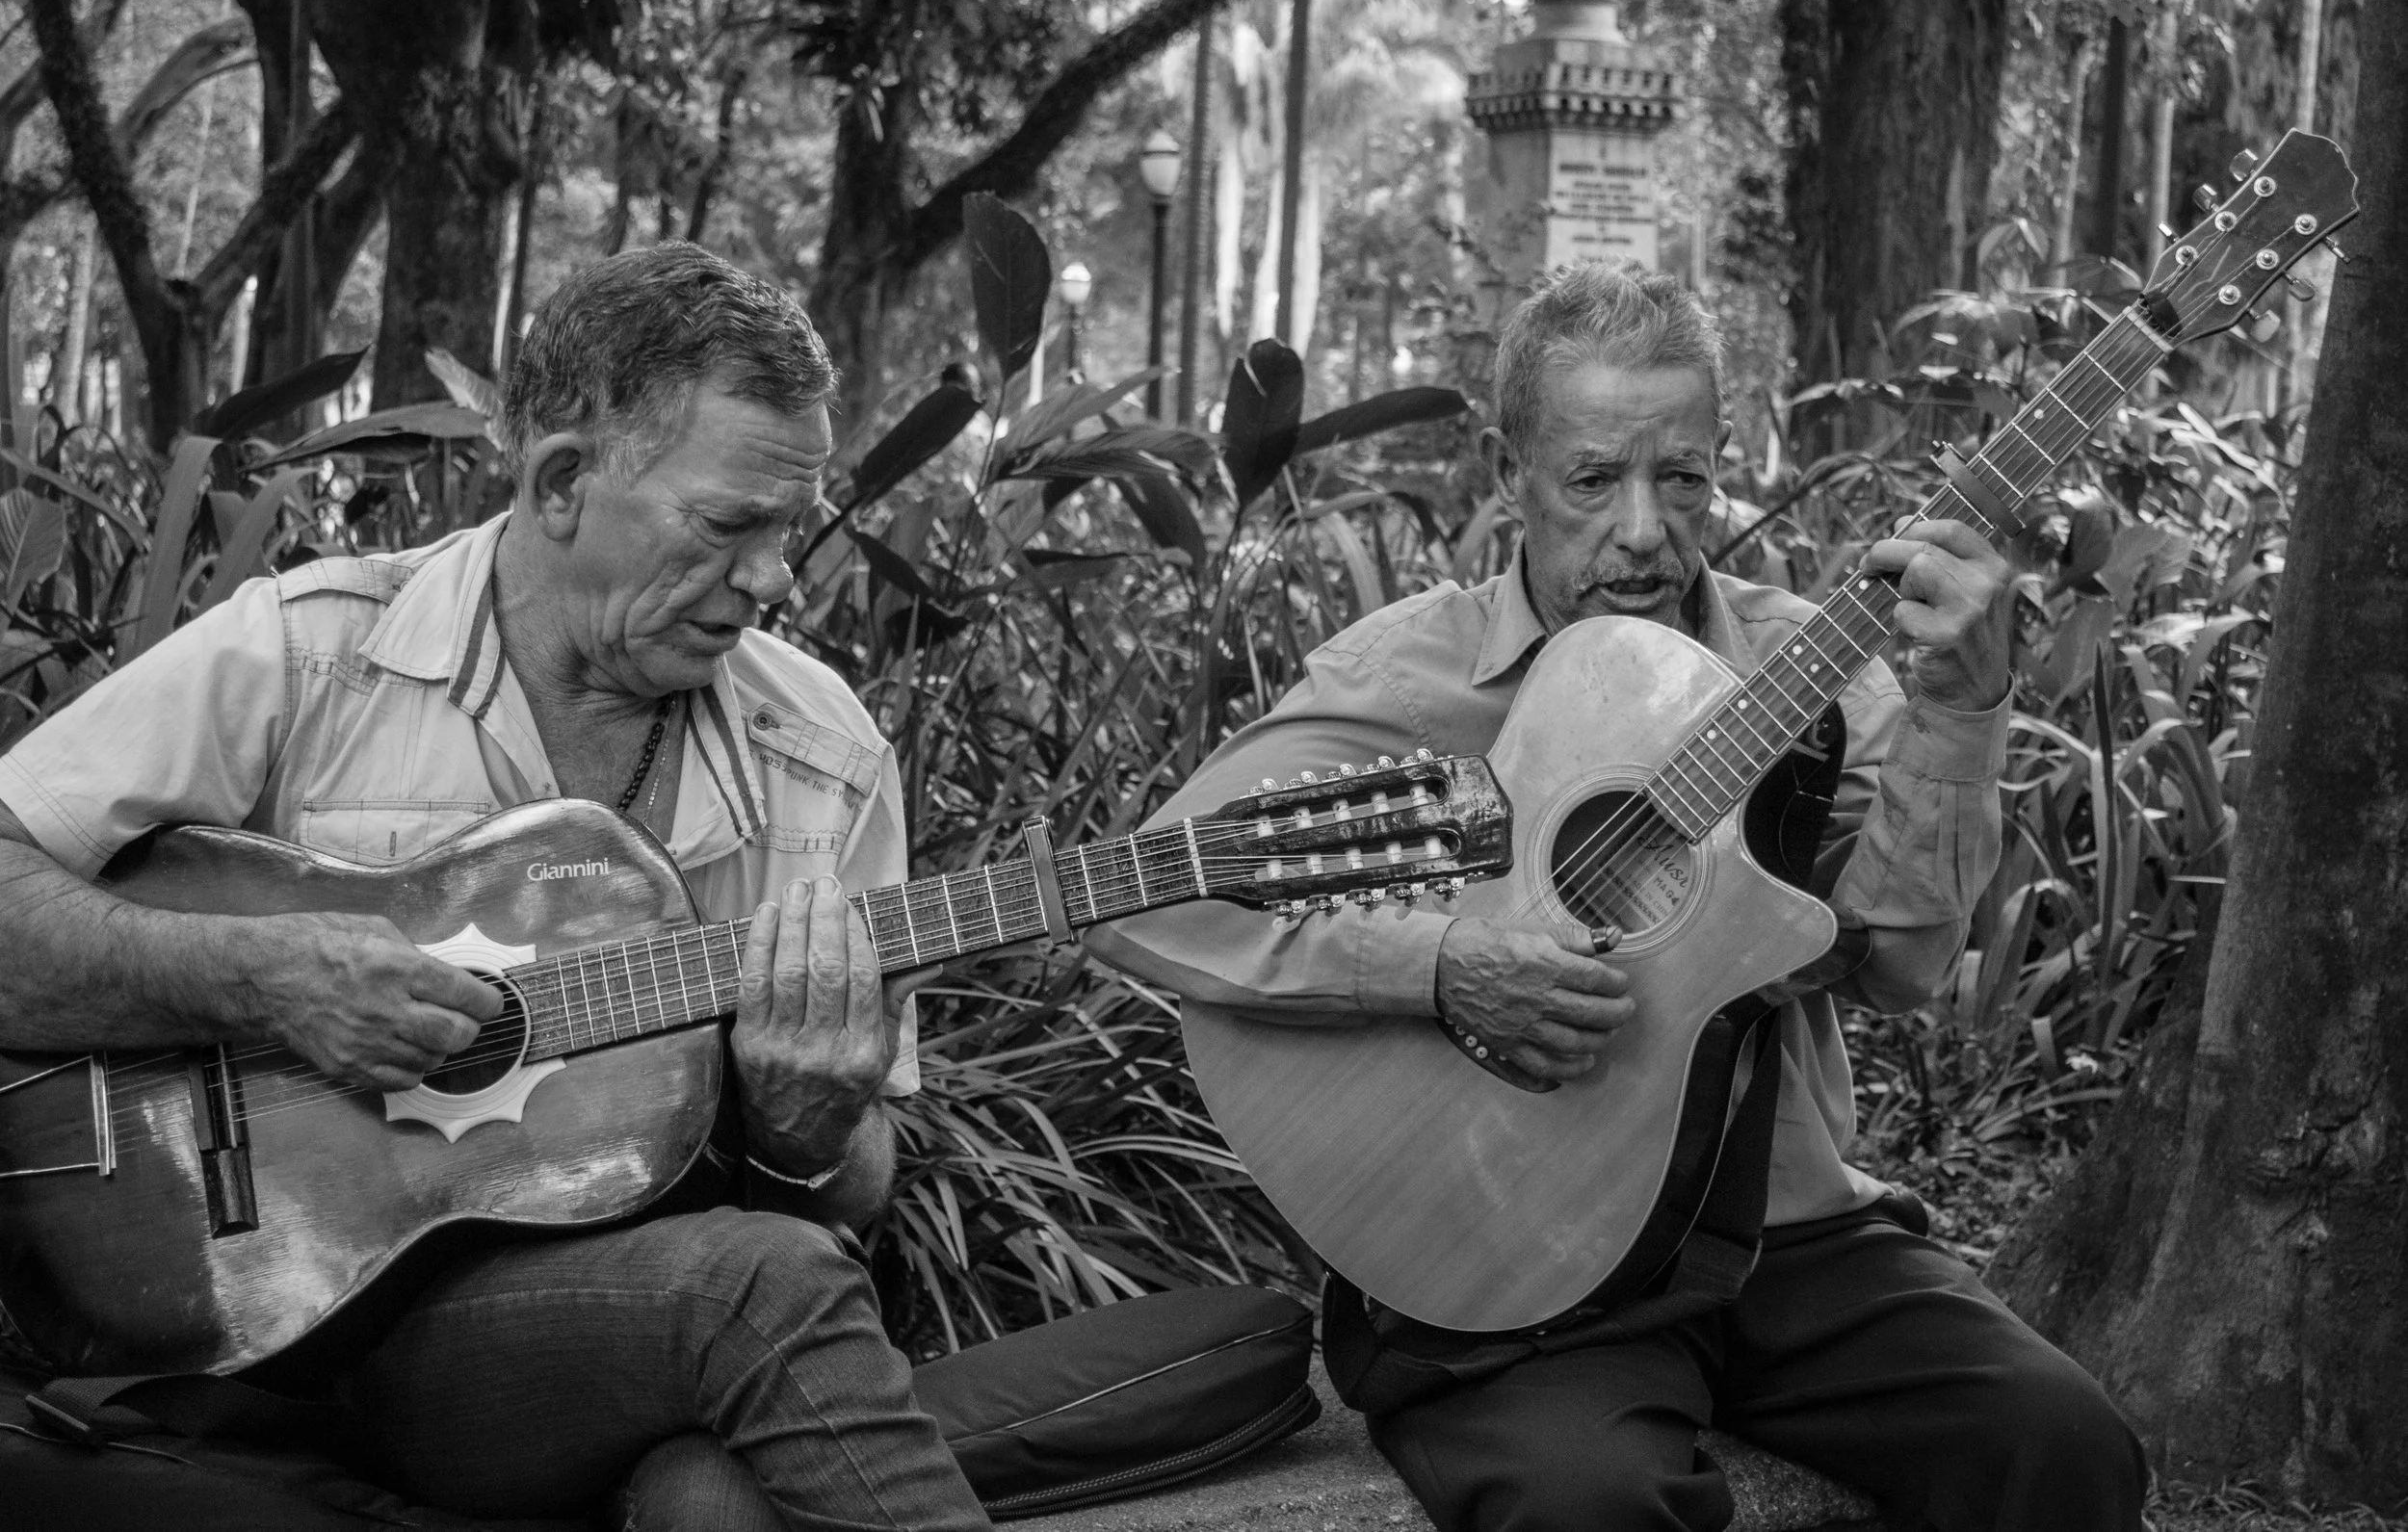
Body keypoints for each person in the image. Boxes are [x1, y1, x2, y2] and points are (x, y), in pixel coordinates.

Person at [1086, 262, 2147, 1532]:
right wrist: (1434, 965)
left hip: (1784, 1242)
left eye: (1682, 476)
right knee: (1591, 1508)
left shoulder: (1809, 670)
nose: (1644, 529)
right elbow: (1144, 892)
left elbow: (1907, 969)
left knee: (2064, 1449)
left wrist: (1964, 708)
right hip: (1514, 1265)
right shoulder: (1406, 679)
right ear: (1508, 472)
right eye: (1595, 478)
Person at [0, 243, 991, 1532]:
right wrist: (262, 979)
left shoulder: (827, 756)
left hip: (582, 1342)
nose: (775, 578)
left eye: (789, 529)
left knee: (722, 1465)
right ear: (565, 482)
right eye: (731, 524)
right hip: (264, 1319)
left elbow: (850, 1187)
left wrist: (812, 1131)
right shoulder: (306, 654)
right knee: (745, 1364)